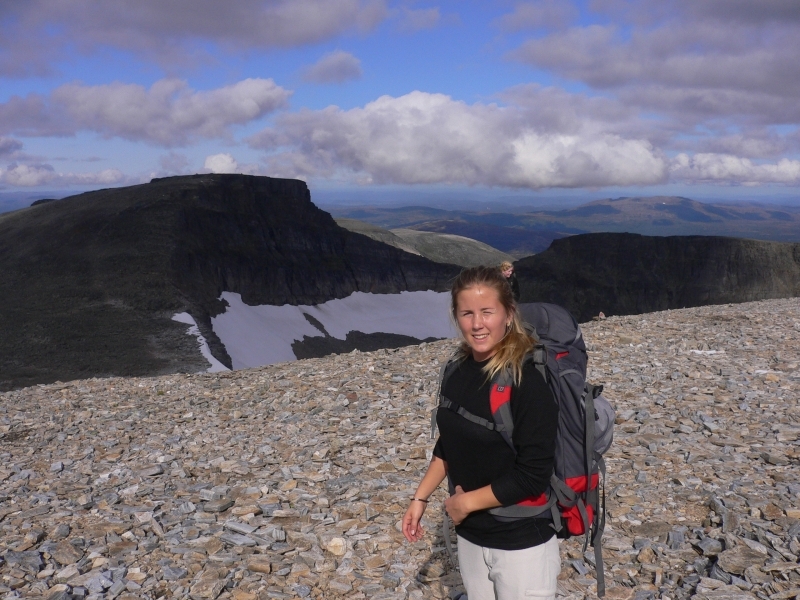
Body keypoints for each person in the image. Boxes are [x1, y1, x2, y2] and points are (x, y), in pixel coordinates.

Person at [402, 266, 560, 600]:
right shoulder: (456, 370)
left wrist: (464, 504)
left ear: (508, 313)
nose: (477, 324)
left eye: (487, 312)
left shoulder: (527, 380)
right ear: (456, 316)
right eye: (467, 313)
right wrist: (420, 499)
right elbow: (451, 441)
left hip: (522, 542)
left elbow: (533, 475)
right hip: (471, 537)